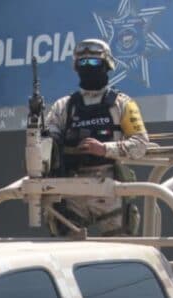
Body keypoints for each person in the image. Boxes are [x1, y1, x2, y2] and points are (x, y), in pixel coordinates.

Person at [45, 39, 149, 236]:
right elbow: (47, 144)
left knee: (119, 252)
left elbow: (141, 144)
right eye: (82, 64)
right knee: (64, 253)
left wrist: (104, 149)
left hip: (109, 187)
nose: (88, 68)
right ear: (76, 67)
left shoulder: (122, 104)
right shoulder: (63, 106)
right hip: (70, 188)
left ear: (106, 65)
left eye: (93, 63)